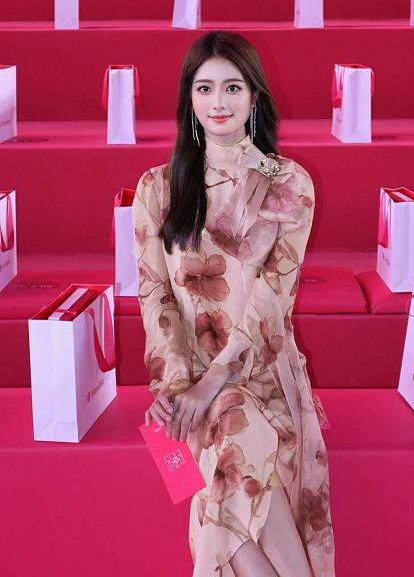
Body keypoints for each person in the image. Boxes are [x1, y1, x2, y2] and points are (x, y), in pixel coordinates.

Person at [133, 30, 335, 577]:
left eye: (232, 87)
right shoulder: (158, 188)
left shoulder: (285, 181)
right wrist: (177, 388)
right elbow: (156, 295)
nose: (218, 102)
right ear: (189, 99)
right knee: (228, 433)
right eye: (204, 88)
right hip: (191, 381)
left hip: (261, 374)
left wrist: (214, 380)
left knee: (233, 421)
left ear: (254, 97)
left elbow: (272, 299)